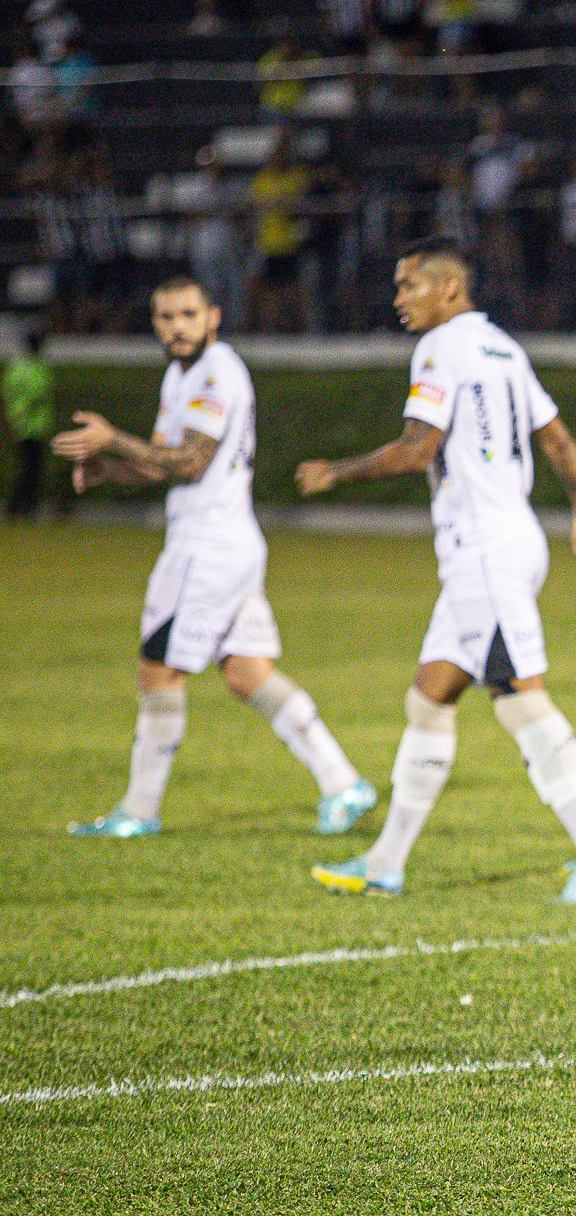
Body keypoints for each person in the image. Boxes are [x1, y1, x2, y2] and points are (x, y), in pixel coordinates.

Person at [295, 238, 576, 902]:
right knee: (429, 698)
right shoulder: (505, 348)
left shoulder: (440, 349)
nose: (398, 300)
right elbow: (557, 438)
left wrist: (338, 470)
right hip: (506, 543)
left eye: (407, 286)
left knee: (520, 699)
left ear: (448, 288)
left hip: (485, 552)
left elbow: (420, 447)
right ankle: (386, 861)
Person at [54, 278, 375, 839]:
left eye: (188, 314)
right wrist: (112, 466)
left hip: (209, 547)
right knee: (248, 674)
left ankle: (139, 811)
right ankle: (344, 783)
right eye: (164, 317)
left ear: (213, 317)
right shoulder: (179, 375)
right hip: (226, 542)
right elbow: (162, 462)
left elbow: (194, 461)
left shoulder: (217, 372)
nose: (177, 326)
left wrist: (111, 440)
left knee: (159, 669)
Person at [6, 327, 55, 519]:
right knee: (30, 470)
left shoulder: (16, 367)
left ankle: (23, 506)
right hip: (32, 426)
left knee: (29, 469)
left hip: (22, 425)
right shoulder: (38, 367)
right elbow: (41, 394)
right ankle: (21, 506)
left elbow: (7, 395)